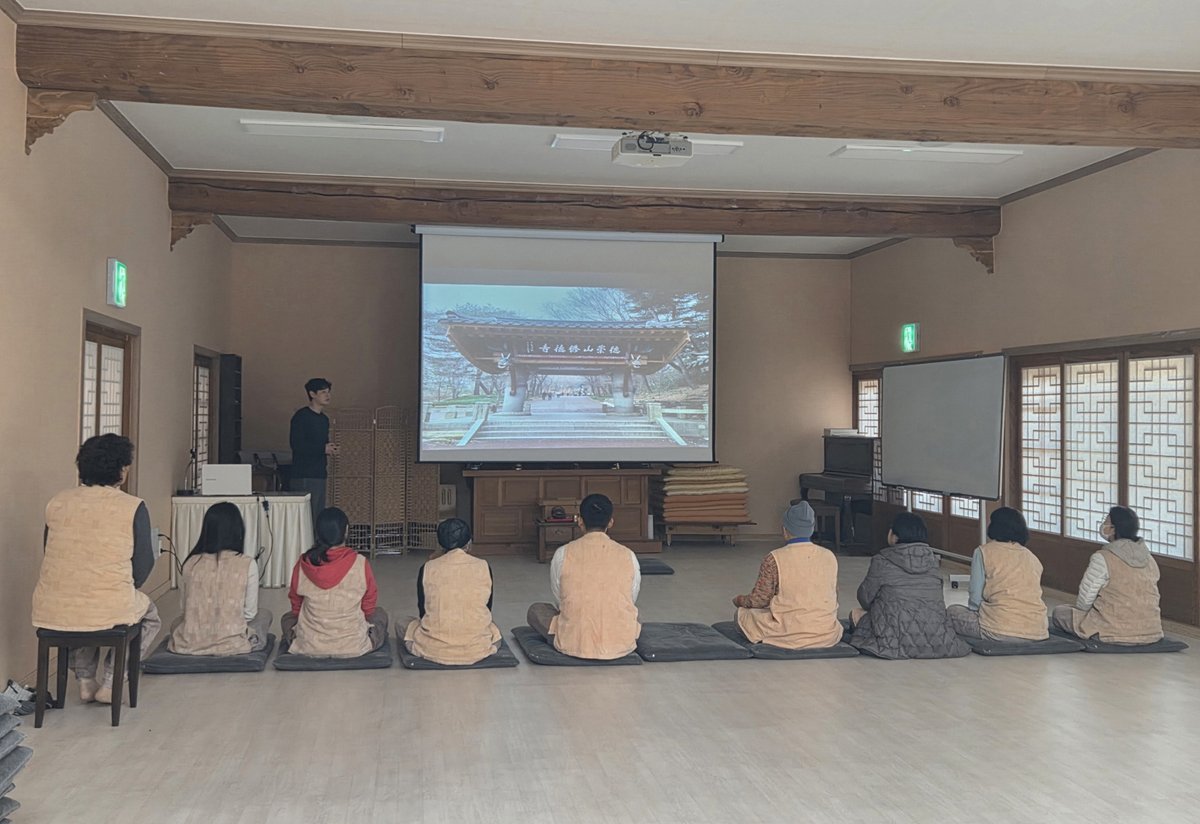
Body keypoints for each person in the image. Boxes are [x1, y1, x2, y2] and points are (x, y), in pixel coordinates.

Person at [32, 434, 163, 704]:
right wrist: (128, 586)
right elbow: (143, 563)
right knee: (149, 617)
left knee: (77, 610)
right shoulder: (132, 506)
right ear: (123, 470)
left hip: (52, 604)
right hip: (109, 602)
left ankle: (85, 679)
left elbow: (50, 550)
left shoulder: (57, 502)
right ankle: (112, 680)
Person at [527, 494, 641, 660]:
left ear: (580, 521)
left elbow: (560, 597)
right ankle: (618, 638)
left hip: (573, 642)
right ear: (610, 522)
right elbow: (631, 597)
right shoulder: (628, 555)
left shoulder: (563, 553)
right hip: (621, 643)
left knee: (536, 610)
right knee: (633, 614)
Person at [848, 512, 969, 659]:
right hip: (938, 638)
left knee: (856, 613)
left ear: (895, 536)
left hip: (894, 640)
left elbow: (865, 599)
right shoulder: (933, 561)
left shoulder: (882, 560)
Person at [733, 501, 842, 649]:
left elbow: (759, 600)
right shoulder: (829, 556)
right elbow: (833, 594)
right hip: (826, 634)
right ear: (811, 529)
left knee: (742, 615)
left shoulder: (774, 558)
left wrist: (740, 600)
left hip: (788, 634)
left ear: (785, 530)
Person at [168, 502, 272, 655]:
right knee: (264, 615)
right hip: (232, 643)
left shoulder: (191, 563)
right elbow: (249, 613)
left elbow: (185, 608)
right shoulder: (247, 564)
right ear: (238, 530)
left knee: (176, 623)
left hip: (191, 641)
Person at [282, 507, 388, 657]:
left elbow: (296, 603)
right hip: (354, 645)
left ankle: (305, 642)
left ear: (317, 533)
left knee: (287, 618)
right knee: (380, 614)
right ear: (346, 531)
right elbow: (369, 605)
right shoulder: (360, 563)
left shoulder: (304, 563)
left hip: (309, 645)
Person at [1051, 506, 1163, 644]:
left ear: (1114, 529)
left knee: (1060, 612)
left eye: (1106, 521)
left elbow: (1085, 599)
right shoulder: (1149, 559)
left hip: (1110, 628)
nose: (1103, 524)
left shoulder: (1103, 558)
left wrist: (1084, 614)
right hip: (1151, 629)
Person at [403, 518, 502, 665]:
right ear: (469, 543)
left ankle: (434, 649)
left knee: (403, 623)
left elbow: (423, 611)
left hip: (434, 650)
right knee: (492, 628)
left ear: (440, 544)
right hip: (477, 649)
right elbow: (487, 607)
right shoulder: (483, 566)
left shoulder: (428, 568)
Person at [947, 507, 1048, 641]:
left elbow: (975, 598)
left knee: (952, 611)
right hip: (1037, 630)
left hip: (998, 628)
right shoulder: (1032, 557)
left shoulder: (984, 552)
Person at [289, 377, 338, 528]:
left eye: (328, 392)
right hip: (304, 473)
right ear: (312, 394)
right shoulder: (301, 416)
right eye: (323, 392)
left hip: (320, 472)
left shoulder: (324, 419)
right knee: (307, 517)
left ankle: (316, 542)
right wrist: (322, 449)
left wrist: (329, 448)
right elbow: (297, 445)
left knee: (317, 516)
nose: (327, 395)